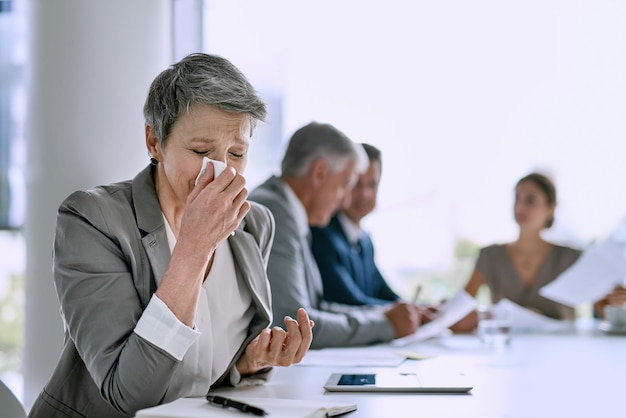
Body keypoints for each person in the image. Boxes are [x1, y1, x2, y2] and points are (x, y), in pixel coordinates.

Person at [28, 53, 313, 418]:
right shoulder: (91, 219)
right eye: (200, 151)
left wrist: (246, 362)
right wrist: (195, 247)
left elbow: (198, 370)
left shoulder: (254, 224)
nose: (221, 170)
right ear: (154, 141)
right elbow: (128, 393)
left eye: (237, 152)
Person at [249, 122, 421, 349]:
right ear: (319, 173)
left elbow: (317, 306)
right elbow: (294, 325)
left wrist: (384, 317)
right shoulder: (275, 212)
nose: (345, 201)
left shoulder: (291, 213)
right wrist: (385, 325)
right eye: (345, 185)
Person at [451, 172, 581, 332]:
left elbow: (604, 311)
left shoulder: (571, 258)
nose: (519, 207)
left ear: (550, 208)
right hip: (506, 350)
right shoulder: (491, 256)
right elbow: (460, 307)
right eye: (517, 199)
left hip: (563, 350)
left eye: (530, 200)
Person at [310, 143, 400, 306]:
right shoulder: (321, 235)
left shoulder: (365, 242)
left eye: (372, 184)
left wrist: (423, 309)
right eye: (357, 183)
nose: (365, 194)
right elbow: (349, 301)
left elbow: (384, 293)